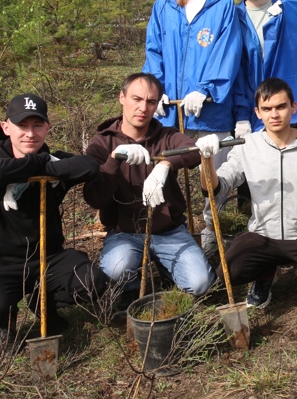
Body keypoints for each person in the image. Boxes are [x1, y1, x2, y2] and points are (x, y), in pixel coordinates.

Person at [0, 94, 107, 353]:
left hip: (47, 258)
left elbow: (89, 166)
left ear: (47, 128)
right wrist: (38, 165)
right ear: (6, 127)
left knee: (93, 281)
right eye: (22, 126)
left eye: (37, 125)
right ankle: (4, 321)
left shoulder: (53, 159)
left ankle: (42, 303)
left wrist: (48, 166)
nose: (30, 134)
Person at [196, 78, 297, 308]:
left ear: (293, 107)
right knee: (229, 271)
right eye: (267, 109)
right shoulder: (247, 146)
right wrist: (206, 160)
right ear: (257, 112)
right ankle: (264, 273)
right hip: (262, 234)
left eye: (280, 107)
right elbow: (215, 187)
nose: (274, 114)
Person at [143, 0, 242, 249]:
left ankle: (213, 243)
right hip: (172, 114)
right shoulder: (164, 6)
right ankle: (178, 243)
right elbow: (154, 51)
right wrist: (154, 90)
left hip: (210, 113)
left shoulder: (223, 6)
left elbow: (228, 52)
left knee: (212, 183)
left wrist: (205, 89)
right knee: (170, 177)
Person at [83, 73, 214, 305]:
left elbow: (193, 150)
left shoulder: (166, 136)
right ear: (121, 97)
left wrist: (165, 164)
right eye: (137, 99)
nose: (143, 107)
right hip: (125, 233)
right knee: (116, 270)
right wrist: (114, 159)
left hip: (169, 231)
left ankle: (167, 271)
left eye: (151, 101)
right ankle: (130, 289)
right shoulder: (102, 144)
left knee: (200, 283)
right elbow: (94, 198)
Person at [231, 0, 284, 137]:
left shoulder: (286, 10)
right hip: (253, 106)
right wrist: (242, 115)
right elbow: (236, 72)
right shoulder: (234, 18)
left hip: (284, 105)